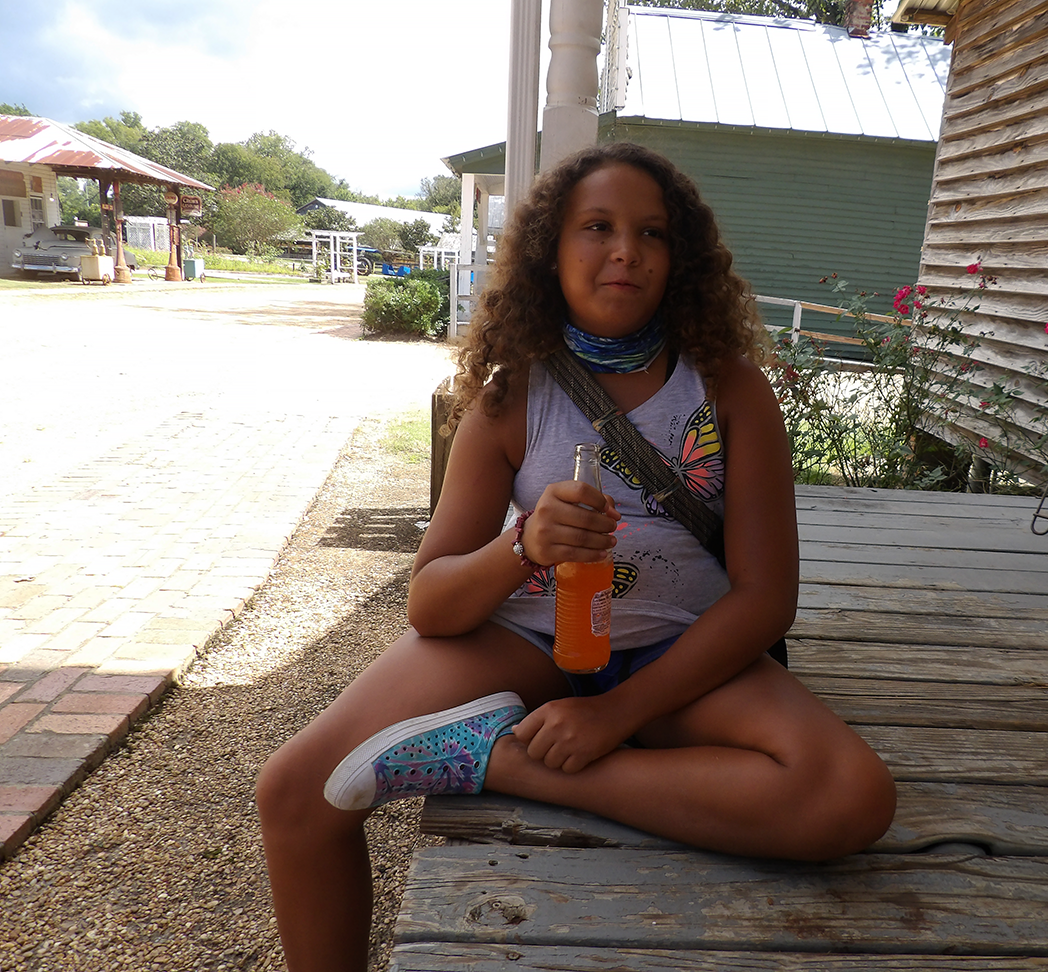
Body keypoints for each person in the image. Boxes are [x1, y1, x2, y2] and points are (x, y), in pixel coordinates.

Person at [256, 142, 896, 972]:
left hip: (680, 657)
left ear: (680, 260)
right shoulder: (510, 393)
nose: (625, 250)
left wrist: (610, 719)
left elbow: (766, 600)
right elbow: (432, 603)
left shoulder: (731, 389)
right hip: (533, 646)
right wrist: (522, 546)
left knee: (850, 798)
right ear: (549, 253)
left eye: (652, 234)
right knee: (295, 790)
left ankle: (496, 760)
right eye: (597, 227)